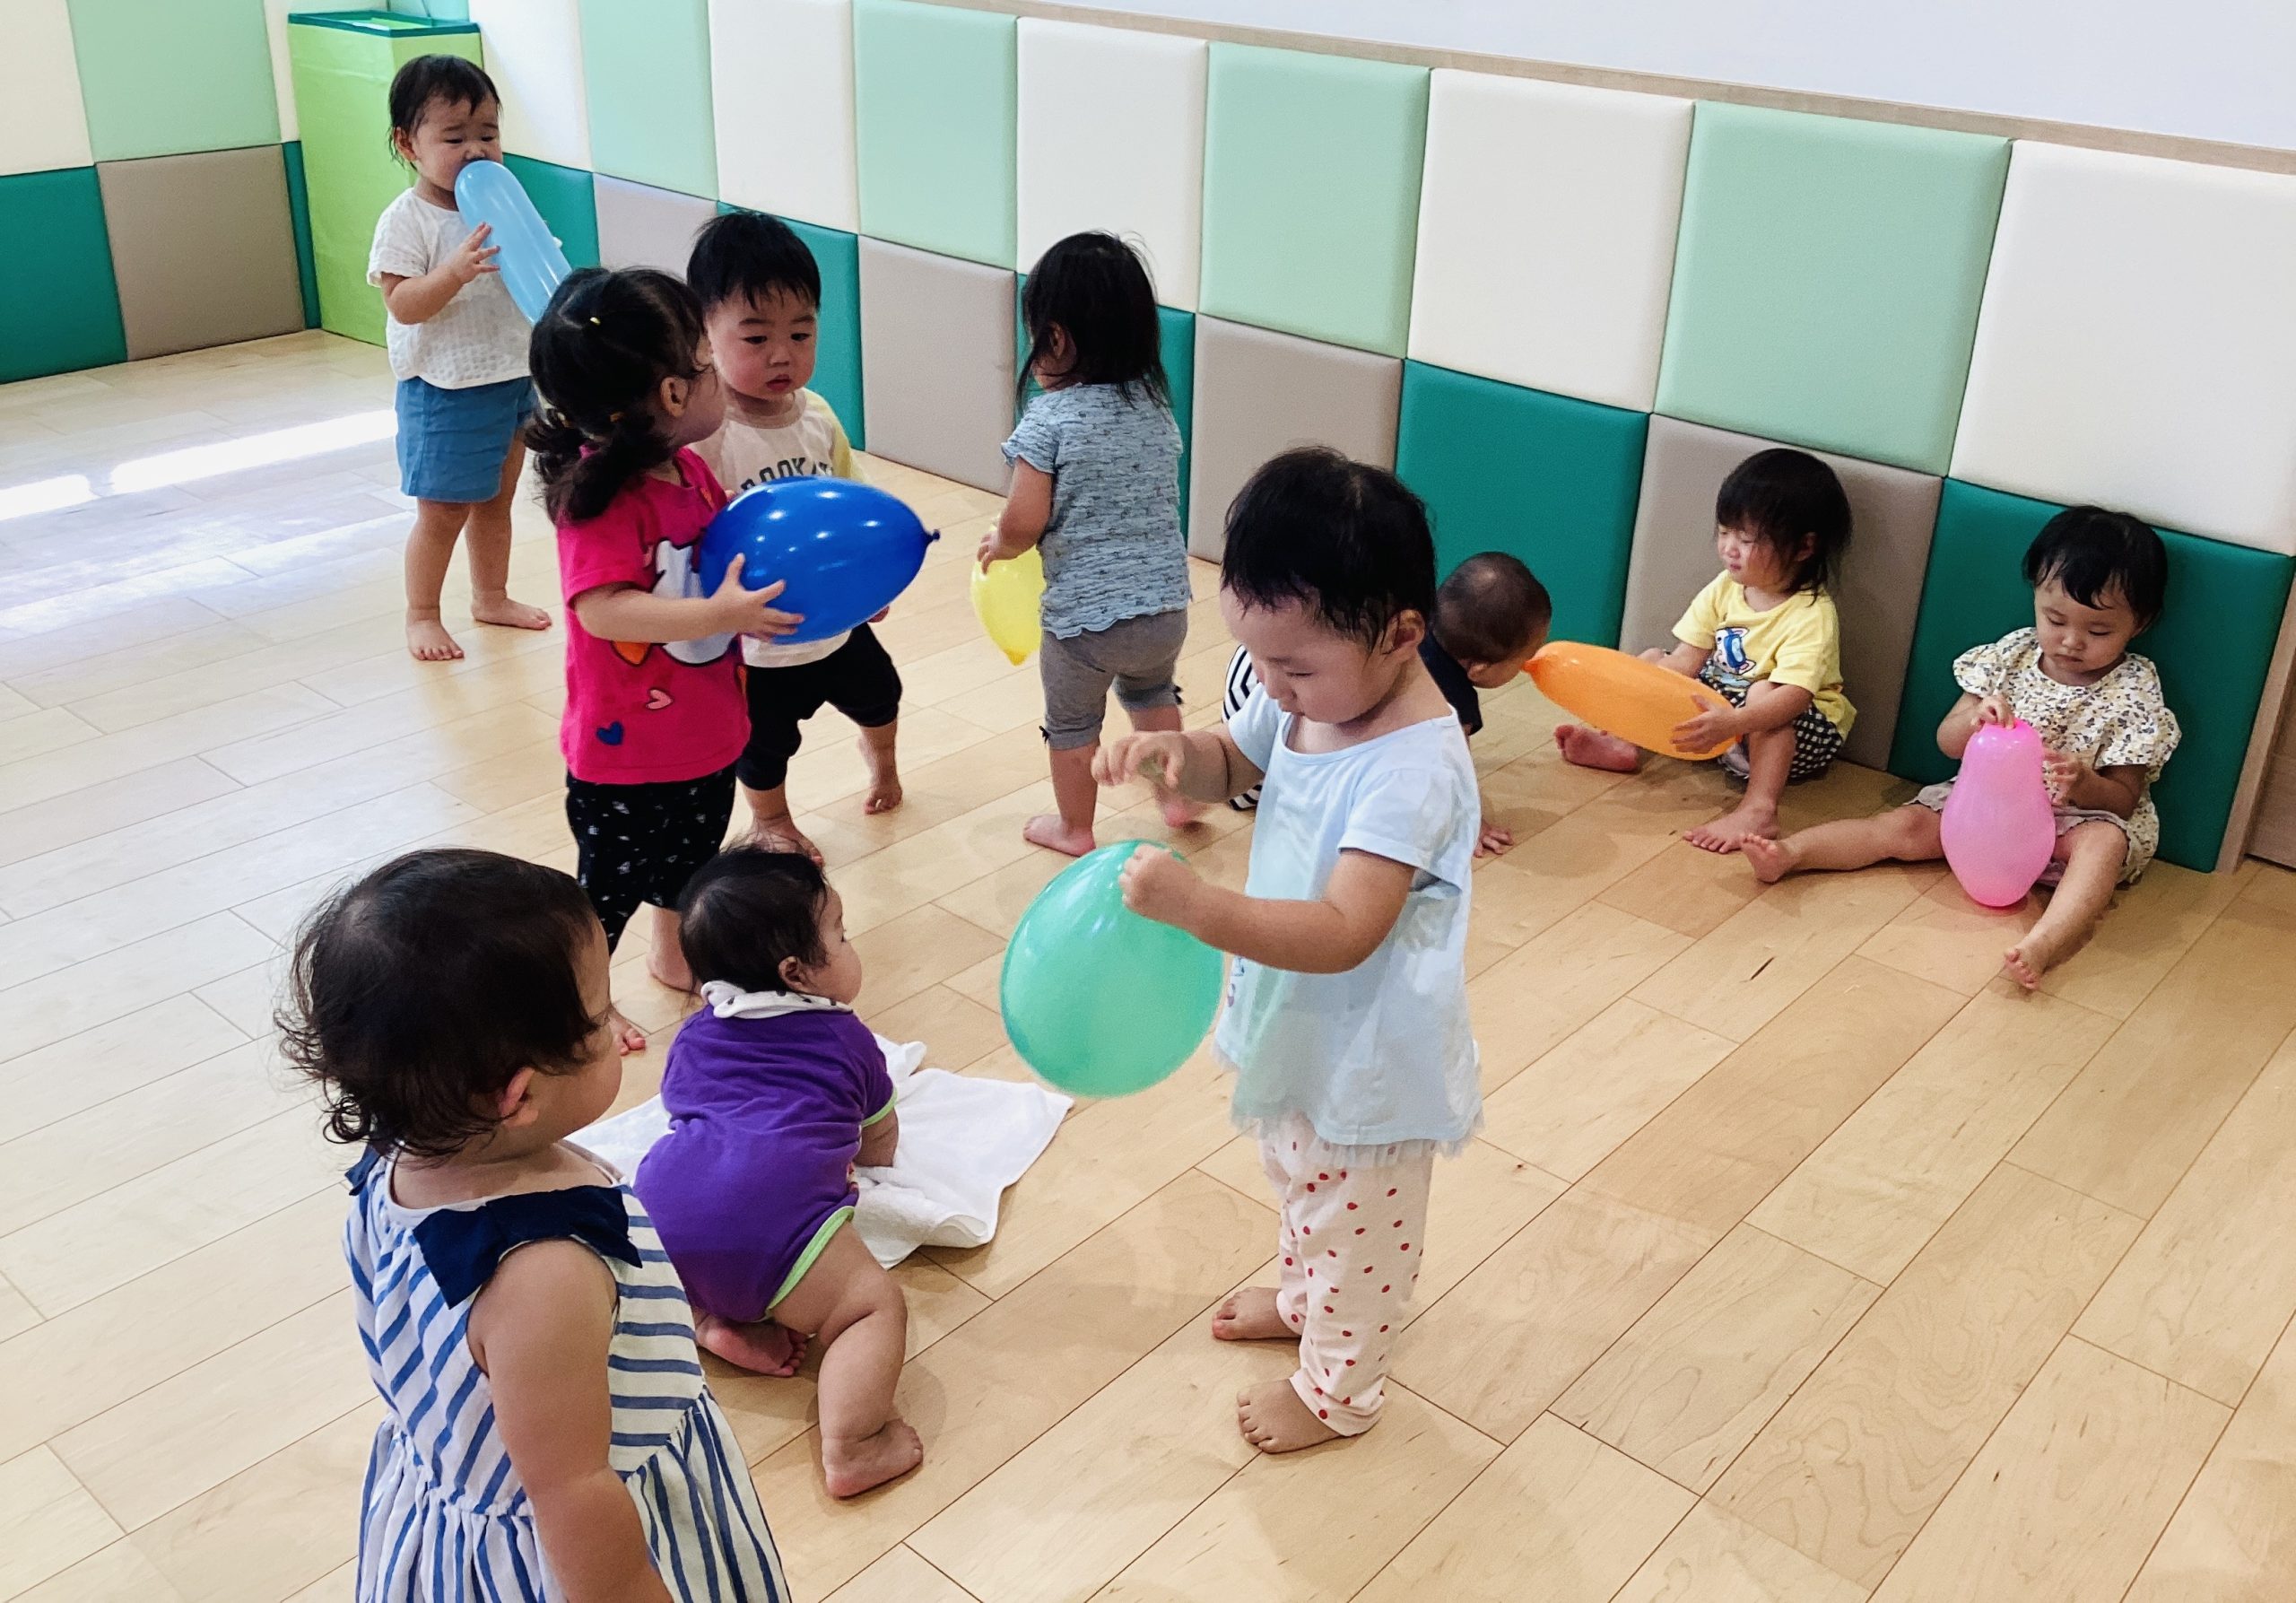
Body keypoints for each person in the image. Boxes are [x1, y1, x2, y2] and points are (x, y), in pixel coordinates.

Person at [1094, 448, 1480, 1454]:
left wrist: (1197, 906)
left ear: (1402, 633)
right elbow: (1236, 756)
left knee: (1359, 1224)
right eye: (1256, 659)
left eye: (1294, 668)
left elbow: (1347, 929)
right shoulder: (1309, 693)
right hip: (1302, 1016)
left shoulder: (1411, 768)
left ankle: (1338, 1392)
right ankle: (1308, 1298)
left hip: (1371, 1053)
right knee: (1298, 1171)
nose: (1271, 685)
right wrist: (1178, 752)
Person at [280, 848, 787, 1600]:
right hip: (581, 1549)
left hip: (452, 1489)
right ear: (517, 1096)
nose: (618, 1027)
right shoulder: (544, 1271)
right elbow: (575, 1493)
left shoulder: (397, 1159)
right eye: (601, 1015)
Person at [526, 266, 800, 1053]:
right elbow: (602, 608)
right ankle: (580, 1005)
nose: (718, 377)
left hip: (707, 731)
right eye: (707, 362)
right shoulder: (601, 498)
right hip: (625, 753)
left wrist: (812, 594)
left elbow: (730, 560)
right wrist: (720, 615)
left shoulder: (691, 471)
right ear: (675, 394)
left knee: (691, 865)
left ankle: (675, 955)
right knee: (605, 893)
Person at [1745, 507, 2179, 989]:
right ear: (2036, 594)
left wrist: (2085, 783)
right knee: (1903, 826)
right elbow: (1947, 742)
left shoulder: (2133, 688)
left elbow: (2124, 800)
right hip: (1984, 809)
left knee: (2105, 844)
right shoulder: (2012, 655)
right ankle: (1793, 853)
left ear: (2140, 623)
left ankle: (2044, 942)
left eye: (2098, 631)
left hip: (2070, 821)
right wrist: (1974, 721)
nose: (2071, 641)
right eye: (2055, 619)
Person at [634, 847, 922, 1498]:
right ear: (797, 972)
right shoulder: (848, 1040)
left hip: (661, 1208)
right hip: (773, 1222)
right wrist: (873, 1166)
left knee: (677, 1262)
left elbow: (681, 1106)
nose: (850, 944)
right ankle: (852, 1444)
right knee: (871, 1308)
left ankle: (704, 1318)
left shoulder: (696, 1034)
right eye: (840, 934)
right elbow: (877, 1136)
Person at [688, 211, 902, 861]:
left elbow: (855, 504)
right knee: (763, 742)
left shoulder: (818, 416)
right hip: (756, 640)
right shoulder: (707, 434)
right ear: (704, 334)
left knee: (882, 693)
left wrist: (873, 581)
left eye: (801, 333)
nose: (782, 354)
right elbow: (692, 539)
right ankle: (773, 819)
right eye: (756, 337)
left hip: (835, 622)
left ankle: (882, 757)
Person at [977, 231, 1195, 857]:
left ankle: (1075, 828)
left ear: (1056, 338)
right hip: (1165, 610)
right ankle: (1177, 798)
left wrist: (1001, 544)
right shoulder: (1155, 408)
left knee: (1073, 724)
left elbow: (1025, 520)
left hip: (1084, 624)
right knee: (1153, 697)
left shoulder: (1049, 419)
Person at [1557, 449, 1855, 852]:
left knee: (1763, 692)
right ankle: (1622, 743)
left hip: (1793, 733)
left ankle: (1760, 808)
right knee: (1654, 659)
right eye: (1725, 531)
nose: (1729, 547)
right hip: (1721, 722)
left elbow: (1795, 698)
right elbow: (1686, 659)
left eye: (1746, 539)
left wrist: (1734, 722)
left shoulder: (1811, 613)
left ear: (1804, 548)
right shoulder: (1725, 588)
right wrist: (1629, 690)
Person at [369, 55, 553, 663]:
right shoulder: (408, 220)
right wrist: (452, 272)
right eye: (454, 138)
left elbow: (537, 273)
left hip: (511, 376)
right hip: (444, 389)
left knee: (497, 502)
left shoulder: (505, 202)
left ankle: (490, 596)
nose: (476, 150)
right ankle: (422, 614)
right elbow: (403, 304)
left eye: (488, 134)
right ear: (408, 144)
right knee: (443, 510)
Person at [1224, 551, 1551, 854]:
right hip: (1269, 750)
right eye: (1523, 659)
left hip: (1248, 682)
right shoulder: (1451, 700)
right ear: (1480, 668)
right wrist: (1471, 826)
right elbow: (1454, 776)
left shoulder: (1403, 627)